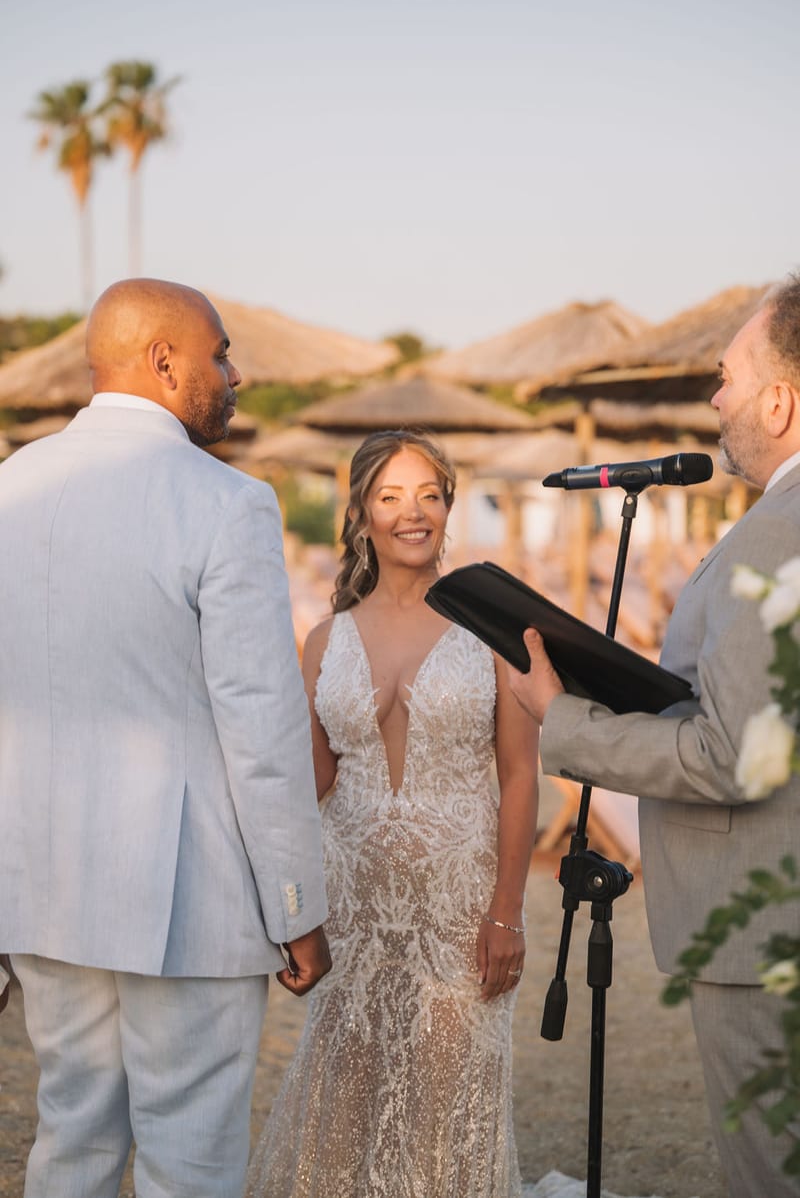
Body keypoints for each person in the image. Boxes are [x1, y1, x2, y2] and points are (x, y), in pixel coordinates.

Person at [0, 279, 331, 1198]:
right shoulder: (226, 503)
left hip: (41, 886)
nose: (234, 375)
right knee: (190, 1163)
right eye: (221, 355)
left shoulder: (8, 486)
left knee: (70, 1141)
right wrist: (296, 904)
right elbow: (260, 727)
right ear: (164, 361)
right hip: (186, 895)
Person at [507, 275, 800, 1198]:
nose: (713, 400)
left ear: (781, 399)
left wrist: (567, 721)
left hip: (761, 933)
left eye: (724, 377)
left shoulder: (776, 535)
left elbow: (729, 758)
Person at [246, 430, 539, 1198]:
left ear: (448, 509)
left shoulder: (495, 631)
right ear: (362, 514)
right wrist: (281, 898)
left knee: (449, 1103)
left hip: (457, 908)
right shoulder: (324, 640)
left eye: (430, 496)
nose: (414, 514)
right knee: (342, 1101)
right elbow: (305, 782)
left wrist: (507, 912)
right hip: (353, 908)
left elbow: (519, 776)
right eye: (391, 497)